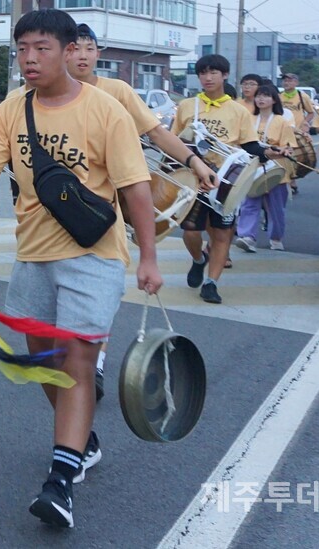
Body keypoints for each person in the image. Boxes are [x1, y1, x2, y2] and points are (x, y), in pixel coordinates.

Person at [0, 9, 162, 530]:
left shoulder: (106, 111)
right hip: (34, 255)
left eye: (41, 48)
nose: (29, 59)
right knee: (42, 359)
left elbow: (135, 188)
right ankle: (80, 439)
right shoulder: (11, 110)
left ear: (69, 51)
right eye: (22, 49)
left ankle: (60, 479)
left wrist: (150, 256)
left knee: (79, 362)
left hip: (94, 255)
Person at [69, 24, 214, 401]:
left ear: (98, 53)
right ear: (63, 52)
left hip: (107, 211)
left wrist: (194, 162)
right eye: (75, 48)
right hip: (55, 213)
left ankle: (95, 365)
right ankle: (74, 359)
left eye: (90, 47)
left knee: (99, 291)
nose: (83, 55)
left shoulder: (117, 92)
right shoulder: (43, 93)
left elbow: (156, 133)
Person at [171, 54, 265, 305]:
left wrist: (268, 154)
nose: (208, 77)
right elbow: (173, 141)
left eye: (213, 72)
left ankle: (211, 284)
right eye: (203, 73)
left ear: (225, 75)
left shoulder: (238, 111)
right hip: (193, 180)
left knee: (222, 234)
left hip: (226, 183)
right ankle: (199, 260)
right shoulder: (187, 106)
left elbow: (251, 146)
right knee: (191, 230)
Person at [235, 83, 297, 252]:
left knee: (276, 209)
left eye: (265, 96)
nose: (261, 99)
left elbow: (289, 147)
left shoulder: (282, 122)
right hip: (252, 169)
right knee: (249, 204)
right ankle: (247, 237)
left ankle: (276, 238)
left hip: (277, 171)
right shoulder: (248, 119)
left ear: (274, 100)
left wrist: (282, 151)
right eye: (258, 96)